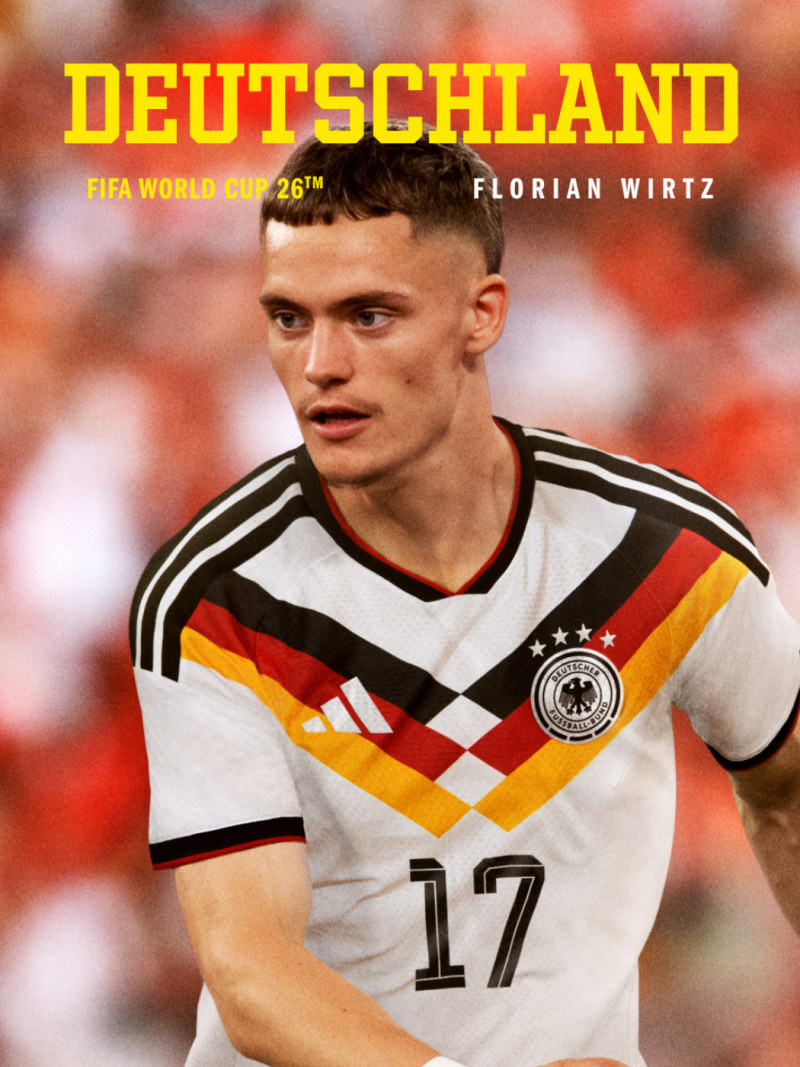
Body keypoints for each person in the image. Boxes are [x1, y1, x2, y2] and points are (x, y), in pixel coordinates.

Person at [130, 124, 800, 1067]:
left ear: (482, 315)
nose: (320, 363)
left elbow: (787, 786)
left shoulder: (664, 556)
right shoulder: (217, 599)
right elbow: (253, 971)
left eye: (369, 316)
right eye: (289, 317)